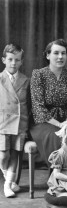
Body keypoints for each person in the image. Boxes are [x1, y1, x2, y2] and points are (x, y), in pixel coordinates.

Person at [30, 39, 67, 164]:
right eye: (56, 53)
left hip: (65, 121)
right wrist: (59, 125)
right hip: (43, 122)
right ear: (48, 55)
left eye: (63, 53)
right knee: (56, 136)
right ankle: (57, 176)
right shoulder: (38, 74)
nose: (60, 57)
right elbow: (38, 107)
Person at [0, 44, 30, 198]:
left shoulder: (25, 80)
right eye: (10, 59)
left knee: (15, 154)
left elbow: (28, 104)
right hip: (3, 123)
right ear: (4, 60)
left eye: (17, 60)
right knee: (3, 155)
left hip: (20, 122)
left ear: (21, 62)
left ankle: (7, 185)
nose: (13, 63)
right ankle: (9, 179)